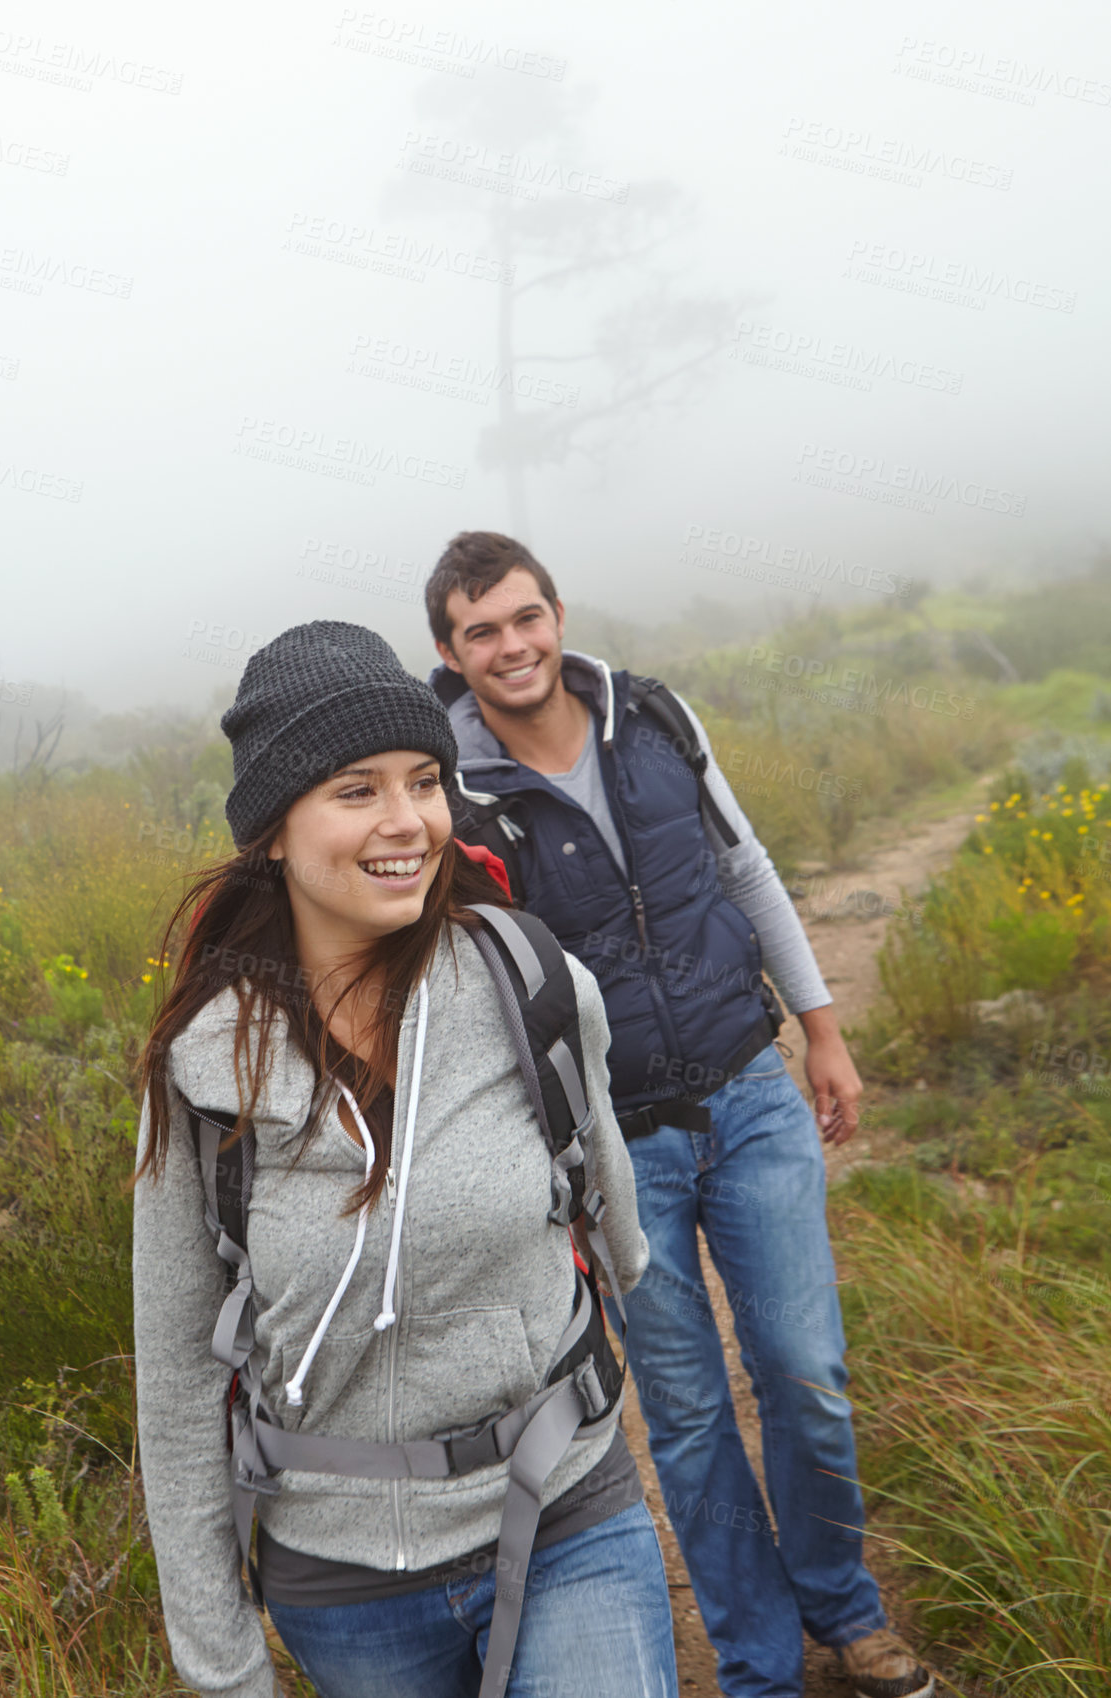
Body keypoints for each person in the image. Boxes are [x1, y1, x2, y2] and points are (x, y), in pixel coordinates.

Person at [426, 534, 935, 1698]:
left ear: (557, 611)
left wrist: (823, 1030)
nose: (511, 646)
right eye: (481, 632)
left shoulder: (651, 717)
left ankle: (845, 1612)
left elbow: (745, 870)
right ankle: (758, 1664)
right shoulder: (450, 793)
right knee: (692, 1419)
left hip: (749, 1090)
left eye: (523, 617)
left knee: (804, 1370)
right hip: (613, 1145)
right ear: (450, 655)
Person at [131, 620, 678, 1698]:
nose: (407, 823)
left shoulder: (533, 983)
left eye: (425, 780)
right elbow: (179, 1384)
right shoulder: (199, 1072)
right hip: (343, 1583)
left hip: (566, 1503)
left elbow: (619, 1233)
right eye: (355, 790)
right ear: (272, 833)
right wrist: (221, 1660)